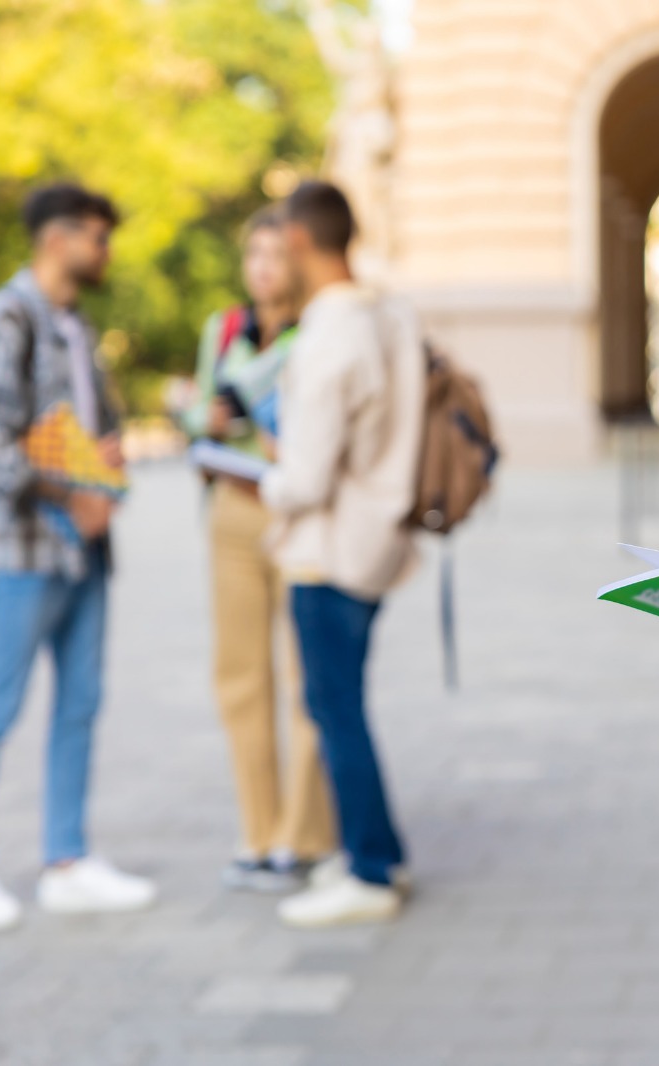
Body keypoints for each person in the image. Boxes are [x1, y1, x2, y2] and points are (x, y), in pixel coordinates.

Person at [0, 182, 158, 932]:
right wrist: (71, 493)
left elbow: (84, 427)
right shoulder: (4, 318)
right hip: (26, 551)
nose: (106, 252)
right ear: (58, 238)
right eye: (98, 237)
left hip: (87, 549)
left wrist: (106, 463)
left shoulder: (75, 325)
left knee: (81, 703)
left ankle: (68, 861)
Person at [229, 180, 424, 927]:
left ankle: (369, 872)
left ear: (301, 241)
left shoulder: (331, 332)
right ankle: (381, 854)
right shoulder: (388, 315)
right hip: (378, 539)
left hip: (329, 550)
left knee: (334, 710)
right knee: (343, 706)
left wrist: (258, 476)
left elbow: (305, 479)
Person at [181, 206, 336, 892]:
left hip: (295, 512)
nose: (264, 268)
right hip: (231, 512)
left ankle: (304, 838)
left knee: (306, 677)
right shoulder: (225, 329)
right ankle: (259, 832)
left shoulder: (319, 331)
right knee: (239, 676)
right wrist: (204, 417)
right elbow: (196, 409)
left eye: (277, 254)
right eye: (255, 255)